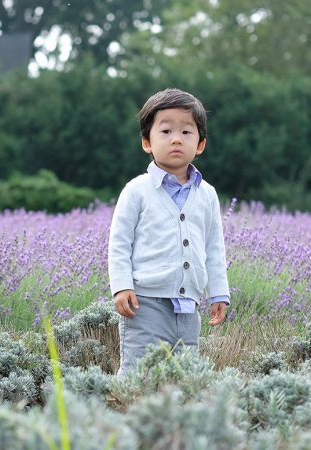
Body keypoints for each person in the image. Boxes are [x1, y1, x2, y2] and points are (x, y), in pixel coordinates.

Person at [108, 88, 230, 375]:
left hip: (189, 304)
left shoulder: (207, 194)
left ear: (200, 144)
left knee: (184, 375)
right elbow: (119, 244)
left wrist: (218, 293)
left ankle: (176, 420)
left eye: (187, 132)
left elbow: (214, 247)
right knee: (139, 374)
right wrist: (122, 285)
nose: (176, 138)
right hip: (144, 303)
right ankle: (129, 418)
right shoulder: (136, 190)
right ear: (146, 142)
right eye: (165, 131)